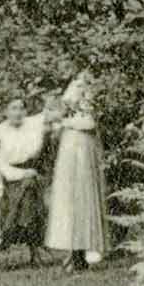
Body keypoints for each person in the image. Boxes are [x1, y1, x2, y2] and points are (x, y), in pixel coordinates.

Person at [44, 70, 111, 270]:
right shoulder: (71, 84)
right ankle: (72, 250)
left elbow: (89, 122)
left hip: (82, 147)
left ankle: (84, 249)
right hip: (69, 146)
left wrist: (64, 121)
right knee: (68, 197)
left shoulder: (90, 87)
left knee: (83, 194)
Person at [0, 98, 52, 257]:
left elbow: (53, 112)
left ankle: (9, 238)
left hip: (34, 172)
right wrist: (23, 174)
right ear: (6, 111)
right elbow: (0, 165)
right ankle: (33, 244)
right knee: (27, 189)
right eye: (13, 108)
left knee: (30, 187)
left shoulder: (32, 124)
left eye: (21, 109)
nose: (17, 113)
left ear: (25, 111)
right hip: (8, 178)